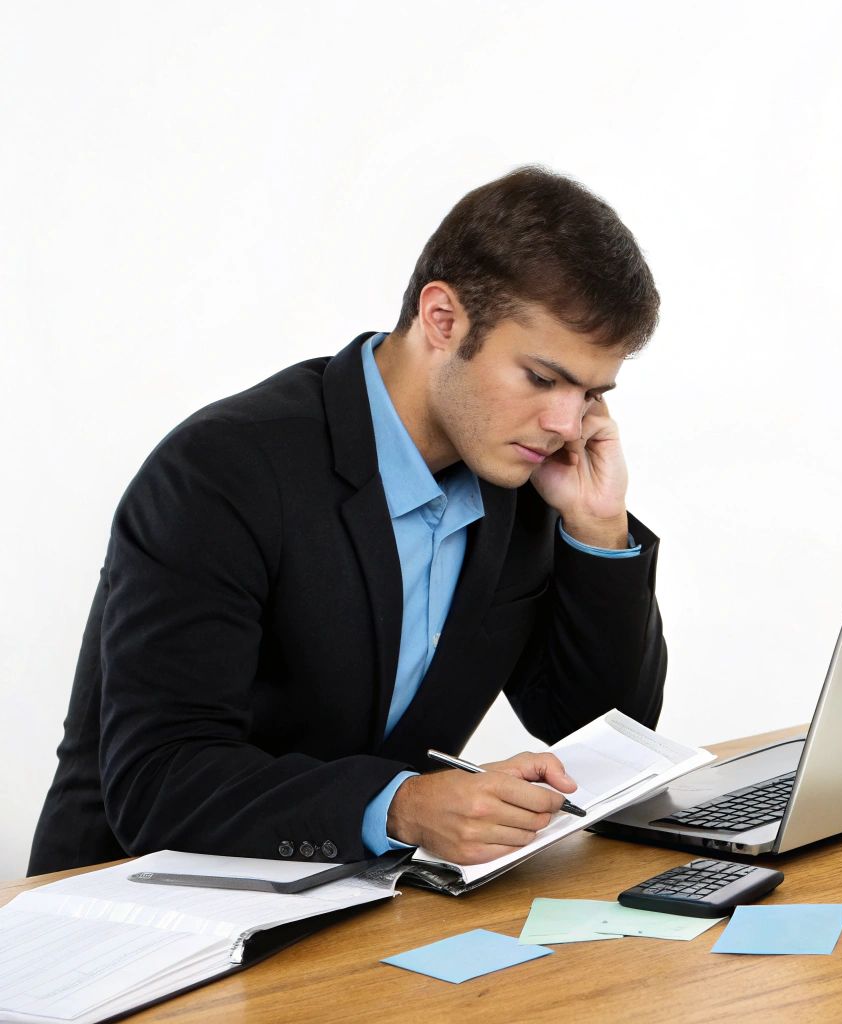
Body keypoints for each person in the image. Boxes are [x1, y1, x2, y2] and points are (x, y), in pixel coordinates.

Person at [28, 166, 667, 874]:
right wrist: (400, 806)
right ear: (443, 319)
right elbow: (159, 781)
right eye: (543, 379)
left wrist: (597, 528)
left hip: (356, 903)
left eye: (591, 393)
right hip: (130, 903)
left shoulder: (520, 474)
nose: (566, 423)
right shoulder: (220, 471)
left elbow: (603, 735)